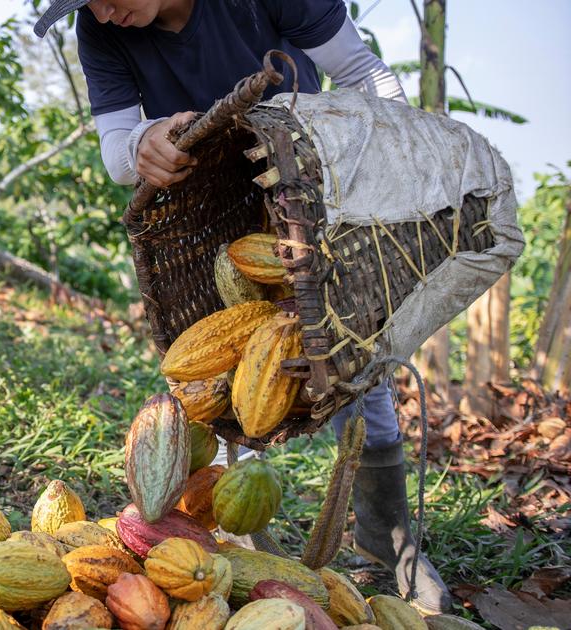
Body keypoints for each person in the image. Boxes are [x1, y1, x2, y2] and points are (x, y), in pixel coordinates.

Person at [33, 0, 451, 614]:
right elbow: (116, 151)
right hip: (214, 213)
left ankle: (388, 541)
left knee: (355, 356)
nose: (101, 8)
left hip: (311, 184)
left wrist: (383, 162)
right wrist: (145, 142)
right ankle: (239, 528)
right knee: (233, 358)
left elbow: (364, 73)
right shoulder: (101, 27)